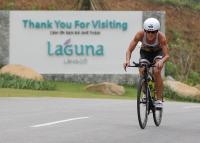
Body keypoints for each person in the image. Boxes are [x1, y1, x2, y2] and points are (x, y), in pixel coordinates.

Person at [123, 18, 170, 109]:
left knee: (156, 71)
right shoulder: (139, 35)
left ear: (157, 31)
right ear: (145, 31)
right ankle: (145, 94)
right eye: (148, 31)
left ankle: (159, 99)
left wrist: (161, 61)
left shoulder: (161, 37)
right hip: (145, 52)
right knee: (142, 70)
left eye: (153, 32)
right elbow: (129, 50)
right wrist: (127, 61)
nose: (150, 34)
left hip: (158, 53)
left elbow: (167, 55)